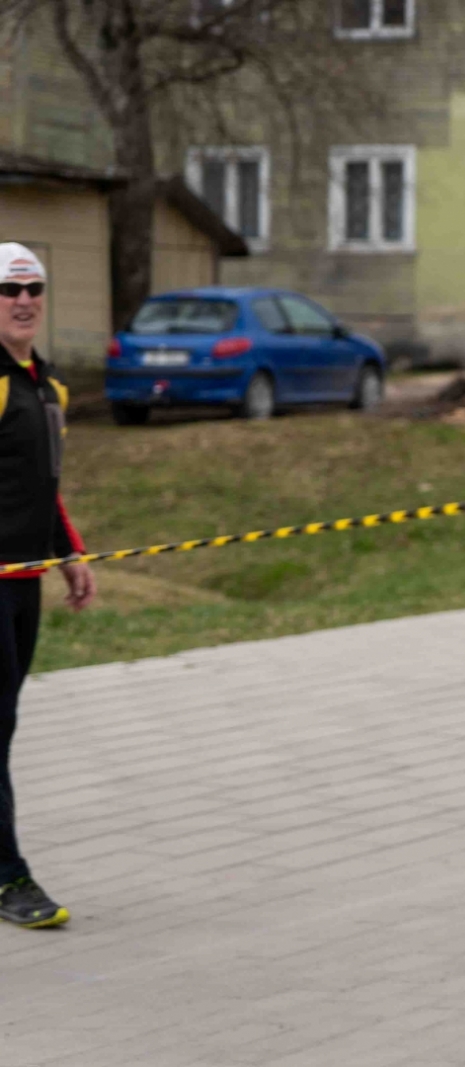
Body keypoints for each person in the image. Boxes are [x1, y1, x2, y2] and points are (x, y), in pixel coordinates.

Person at [0, 242, 96, 929]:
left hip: (24, 582)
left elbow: (46, 483)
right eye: (11, 290)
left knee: (1, 724)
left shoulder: (47, 384)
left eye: (35, 288)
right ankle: (9, 876)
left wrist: (70, 552)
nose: (25, 300)